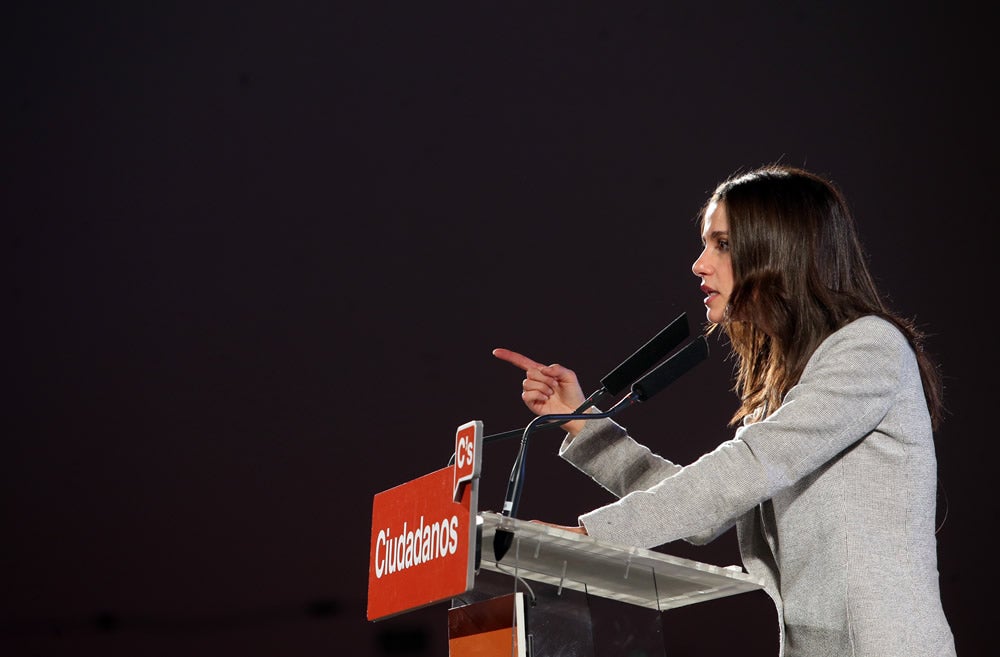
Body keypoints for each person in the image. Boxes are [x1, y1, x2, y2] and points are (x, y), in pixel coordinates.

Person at [492, 164, 956, 657]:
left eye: (723, 244)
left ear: (779, 251)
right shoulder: (791, 390)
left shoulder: (870, 348)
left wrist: (591, 533)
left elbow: (745, 467)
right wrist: (585, 427)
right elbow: (704, 507)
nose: (699, 264)